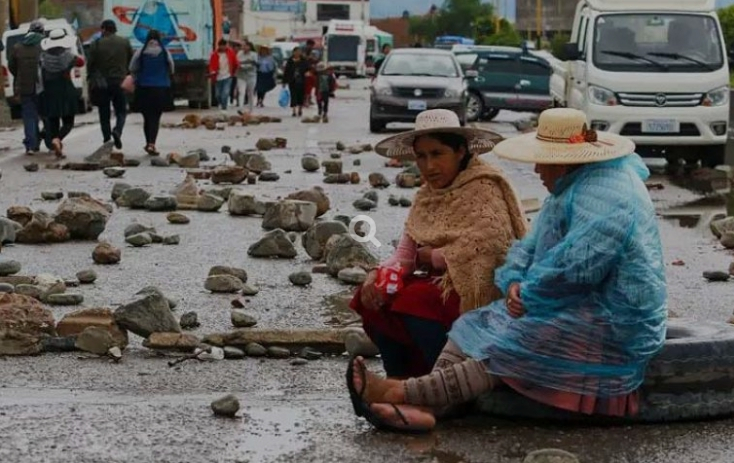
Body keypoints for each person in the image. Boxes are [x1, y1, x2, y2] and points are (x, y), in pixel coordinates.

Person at [346, 108, 668, 433]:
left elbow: (577, 268)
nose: (538, 169)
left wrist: (529, 292)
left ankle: (400, 391)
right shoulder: (570, 190)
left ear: (565, 161)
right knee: (474, 326)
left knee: (511, 342)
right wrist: (515, 278)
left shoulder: (607, 196)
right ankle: (432, 407)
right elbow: (527, 248)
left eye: (543, 161)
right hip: (573, 300)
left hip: (612, 315)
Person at [349, 109, 528, 380]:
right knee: (372, 299)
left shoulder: (485, 188)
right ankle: (400, 378)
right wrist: (376, 274)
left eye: (437, 154)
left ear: (460, 152)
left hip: (481, 289)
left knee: (416, 299)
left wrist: (432, 256)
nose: (429, 166)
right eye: (421, 156)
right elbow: (406, 255)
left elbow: (491, 248)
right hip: (442, 284)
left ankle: (447, 379)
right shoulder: (426, 196)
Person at [38, 29, 86, 159]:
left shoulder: (43, 57)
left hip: (49, 91)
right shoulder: (67, 55)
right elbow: (81, 62)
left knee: (53, 120)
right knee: (68, 122)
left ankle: (54, 139)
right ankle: (58, 139)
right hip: (65, 90)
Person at [88, 19, 134, 151]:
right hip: (120, 81)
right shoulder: (124, 42)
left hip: (102, 83)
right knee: (121, 111)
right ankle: (118, 131)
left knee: (104, 113)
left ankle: (107, 139)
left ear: (103, 29)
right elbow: (131, 61)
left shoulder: (96, 44)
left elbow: (90, 64)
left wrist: (91, 79)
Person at [129, 29, 174, 156]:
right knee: (156, 117)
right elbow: (172, 67)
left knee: (147, 117)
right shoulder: (165, 52)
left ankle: (148, 141)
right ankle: (152, 144)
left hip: (144, 88)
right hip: (161, 88)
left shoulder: (141, 52)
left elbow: (132, 67)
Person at [8, 20, 44, 155]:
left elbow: (12, 67)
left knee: (29, 116)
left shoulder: (18, 47)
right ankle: (50, 140)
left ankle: (31, 144)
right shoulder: (44, 45)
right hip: (43, 87)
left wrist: (20, 77)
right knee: (46, 115)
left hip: (24, 87)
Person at [208, 39, 239, 111]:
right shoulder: (214, 54)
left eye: (224, 46)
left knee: (225, 93)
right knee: (217, 94)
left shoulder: (231, 53)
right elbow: (211, 65)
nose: (223, 47)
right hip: (218, 77)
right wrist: (212, 71)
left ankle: (224, 108)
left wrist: (234, 72)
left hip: (228, 76)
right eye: (221, 46)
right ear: (219, 46)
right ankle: (221, 104)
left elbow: (235, 63)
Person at [282, 46, 309, 117]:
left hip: (301, 81)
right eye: (296, 52)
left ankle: (300, 109)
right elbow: (286, 71)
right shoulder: (290, 61)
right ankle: (294, 110)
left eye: (299, 52)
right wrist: (284, 81)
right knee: (293, 95)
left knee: (300, 95)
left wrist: (307, 73)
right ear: (293, 52)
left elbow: (308, 68)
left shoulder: (304, 60)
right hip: (292, 81)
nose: (297, 53)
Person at [236, 41, 258, 112]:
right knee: (241, 92)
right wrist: (244, 63)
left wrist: (243, 64)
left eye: (246, 46)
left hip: (251, 76)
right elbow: (237, 62)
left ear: (250, 47)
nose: (244, 47)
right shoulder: (239, 53)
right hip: (241, 75)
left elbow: (254, 64)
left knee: (250, 92)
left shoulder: (254, 55)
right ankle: (240, 108)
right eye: (243, 46)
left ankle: (250, 108)